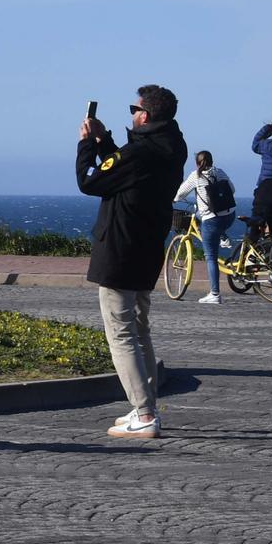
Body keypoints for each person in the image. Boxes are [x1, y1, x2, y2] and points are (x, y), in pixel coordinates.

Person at [77, 85, 187, 439]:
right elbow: (124, 170)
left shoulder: (140, 153)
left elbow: (91, 182)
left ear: (146, 115)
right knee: (140, 329)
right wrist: (105, 139)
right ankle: (146, 405)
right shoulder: (171, 146)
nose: (131, 114)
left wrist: (85, 145)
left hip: (120, 249)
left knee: (121, 332)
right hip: (146, 247)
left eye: (133, 109)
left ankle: (144, 413)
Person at [172, 150, 237, 305]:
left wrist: (174, 199)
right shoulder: (220, 172)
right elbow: (232, 189)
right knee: (202, 215)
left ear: (197, 162)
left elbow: (181, 193)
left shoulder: (196, 176)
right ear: (212, 161)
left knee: (210, 257)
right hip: (229, 216)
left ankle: (214, 294)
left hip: (212, 220)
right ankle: (223, 236)